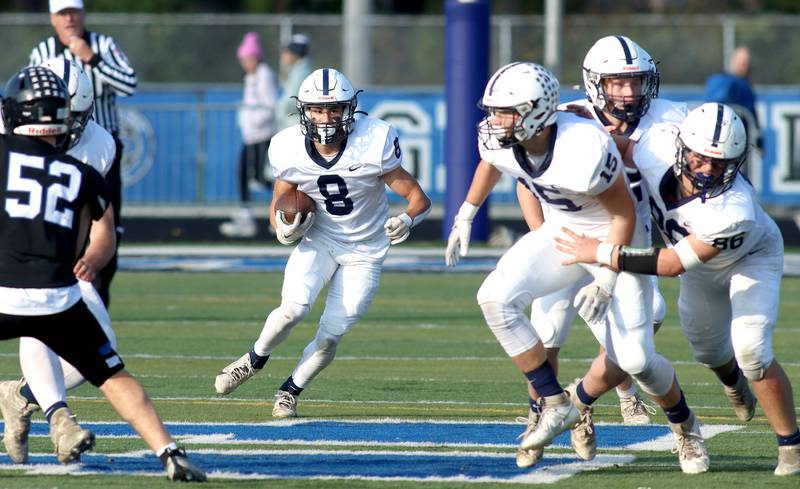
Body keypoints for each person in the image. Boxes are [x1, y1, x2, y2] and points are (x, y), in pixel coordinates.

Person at [444, 62, 708, 474]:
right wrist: (465, 214)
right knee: (494, 298)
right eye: (494, 111)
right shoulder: (500, 136)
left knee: (637, 359)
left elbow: (624, 216)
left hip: (615, 240)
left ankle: (686, 426)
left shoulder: (583, 145)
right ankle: (554, 404)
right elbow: (492, 163)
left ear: (538, 111)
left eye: (507, 111)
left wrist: (604, 278)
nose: (496, 121)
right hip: (563, 234)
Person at [555, 102, 800, 477]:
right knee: (707, 350)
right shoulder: (658, 146)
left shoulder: (735, 208)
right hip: (700, 267)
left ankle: (791, 445)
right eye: (701, 158)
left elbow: (670, 265)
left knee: (753, 350)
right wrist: (586, 139)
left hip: (752, 258)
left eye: (720, 163)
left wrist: (600, 252)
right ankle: (733, 382)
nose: (708, 169)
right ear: (683, 149)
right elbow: (620, 147)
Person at [0, 66, 204, 481]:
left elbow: (95, 240)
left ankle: (39, 404)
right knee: (112, 373)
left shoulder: (88, 151)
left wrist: (88, 260)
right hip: (56, 295)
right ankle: (169, 452)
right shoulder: (82, 175)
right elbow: (93, 230)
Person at [214, 68, 431, 418]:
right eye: (316, 109)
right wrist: (281, 227)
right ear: (304, 111)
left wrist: (407, 218)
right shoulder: (288, 147)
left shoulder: (373, 140)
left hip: (366, 251)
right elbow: (281, 198)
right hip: (321, 240)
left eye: (333, 109)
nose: (325, 118)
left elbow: (419, 197)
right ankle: (253, 360)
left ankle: (290, 390)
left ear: (349, 110)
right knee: (291, 310)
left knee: (331, 335)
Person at [515, 35, 689, 442]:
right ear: (595, 83)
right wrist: (541, 233)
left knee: (645, 329)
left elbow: (679, 189)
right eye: (617, 82)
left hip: (621, 239)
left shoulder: (671, 119)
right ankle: (539, 413)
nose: (629, 92)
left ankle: (585, 400)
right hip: (565, 237)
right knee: (546, 334)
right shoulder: (564, 119)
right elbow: (527, 183)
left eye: (635, 81)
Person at [0, 58, 119, 465]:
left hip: (59, 256)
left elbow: (99, 221)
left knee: (101, 352)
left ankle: (20, 396)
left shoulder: (100, 144)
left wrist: (91, 258)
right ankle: (56, 417)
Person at [29, 0, 138, 306]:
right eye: (63, 13)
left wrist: (93, 60)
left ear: (83, 14)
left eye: (73, 12)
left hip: (97, 148)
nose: (69, 19)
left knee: (105, 223)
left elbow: (129, 84)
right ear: (53, 18)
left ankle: (97, 297)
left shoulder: (103, 45)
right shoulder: (42, 52)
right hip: (51, 150)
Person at [220, 31, 279, 238]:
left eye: (247, 59)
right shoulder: (250, 77)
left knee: (262, 177)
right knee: (244, 173)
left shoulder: (264, 74)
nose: (244, 63)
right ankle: (246, 215)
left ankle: (283, 210)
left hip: (262, 135)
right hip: (250, 135)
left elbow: (270, 105)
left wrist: (252, 120)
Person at [705, 46, 762, 150]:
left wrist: (759, 137)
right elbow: (717, 104)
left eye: (747, 63)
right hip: (723, 139)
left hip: (742, 139)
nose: (745, 66)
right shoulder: (722, 81)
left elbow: (751, 110)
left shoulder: (747, 85)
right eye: (742, 62)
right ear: (734, 61)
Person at [275, 33, 314, 131]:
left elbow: (292, 100)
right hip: (293, 123)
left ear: (295, 52)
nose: (284, 54)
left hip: (295, 124)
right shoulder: (298, 70)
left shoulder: (301, 72)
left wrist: (279, 109)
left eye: (287, 51)